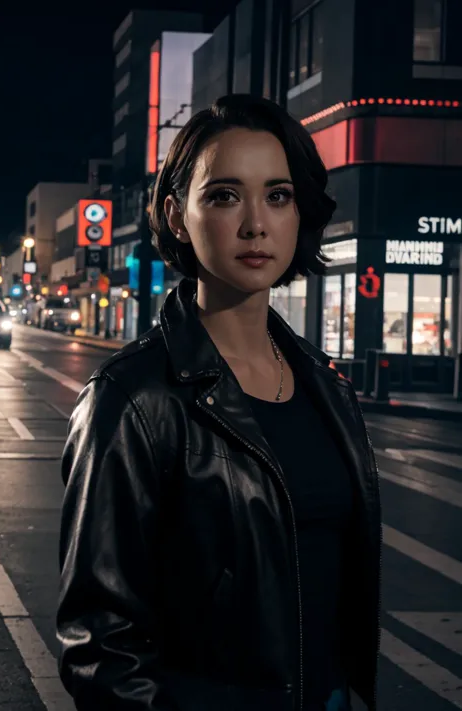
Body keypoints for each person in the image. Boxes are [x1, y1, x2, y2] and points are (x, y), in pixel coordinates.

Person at [57, 94, 381, 711]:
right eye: (225, 195)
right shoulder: (132, 401)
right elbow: (101, 647)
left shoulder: (326, 384)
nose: (256, 223)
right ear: (178, 217)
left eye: (277, 195)